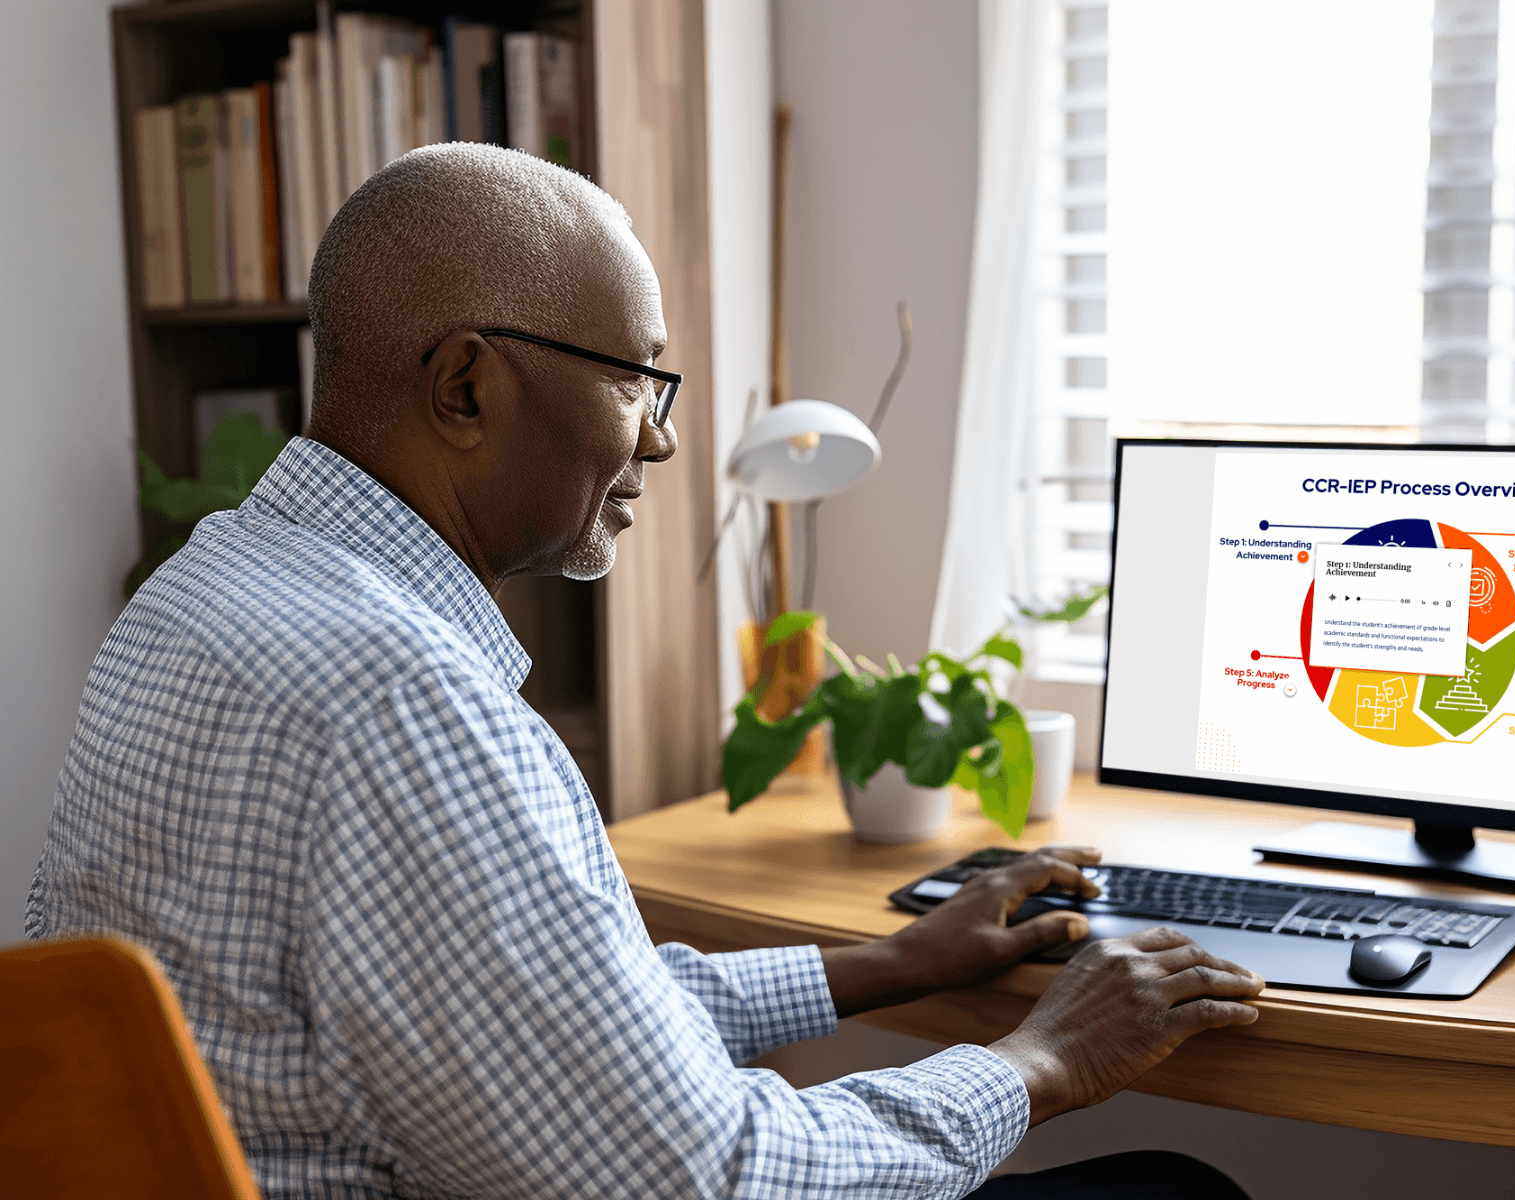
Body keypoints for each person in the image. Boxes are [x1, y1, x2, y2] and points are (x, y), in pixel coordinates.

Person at [28, 144, 1261, 1199]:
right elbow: (708, 1178)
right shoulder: (403, 702)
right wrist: (1044, 1060)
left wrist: (883, 967)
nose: (664, 438)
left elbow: (543, 1026)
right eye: (636, 378)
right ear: (466, 384)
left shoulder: (206, 590)